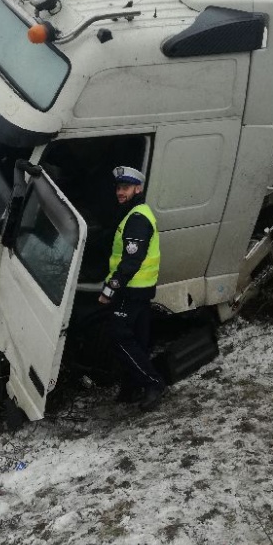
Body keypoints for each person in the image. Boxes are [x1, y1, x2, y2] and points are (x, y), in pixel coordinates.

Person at [98, 165, 166, 410]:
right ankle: (132, 387)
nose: (120, 192)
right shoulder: (135, 213)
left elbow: (131, 261)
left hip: (131, 290)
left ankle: (152, 383)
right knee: (138, 339)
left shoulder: (137, 218)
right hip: (141, 289)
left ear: (138, 189)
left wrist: (110, 289)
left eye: (125, 187)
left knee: (118, 337)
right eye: (118, 187)